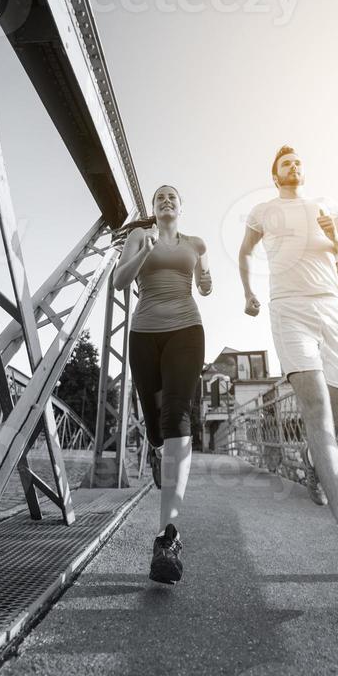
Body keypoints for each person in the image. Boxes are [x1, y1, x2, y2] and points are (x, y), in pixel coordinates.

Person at [238, 146, 338, 606]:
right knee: (318, 416)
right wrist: (249, 292)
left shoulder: (325, 206)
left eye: (297, 162)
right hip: (289, 311)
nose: (294, 166)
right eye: (285, 163)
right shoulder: (262, 210)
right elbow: (244, 252)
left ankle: (315, 464)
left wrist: (337, 237)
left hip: (331, 309)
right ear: (274, 175)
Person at [114, 185, 211, 584]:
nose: (167, 201)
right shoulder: (141, 236)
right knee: (156, 424)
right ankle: (156, 450)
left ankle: (167, 536)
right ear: (153, 210)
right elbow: (119, 282)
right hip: (145, 333)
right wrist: (144, 251)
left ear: (181, 207)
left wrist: (205, 277)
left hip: (187, 330)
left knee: (177, 414)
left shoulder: (196, 243)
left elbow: (206, 286)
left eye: (173, 197)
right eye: (160, 199)